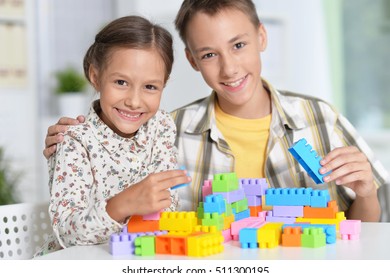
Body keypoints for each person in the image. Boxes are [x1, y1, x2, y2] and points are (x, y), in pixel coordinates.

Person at [43, 0, 388, 222]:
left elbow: (368, 230)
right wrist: (78, 134)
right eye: (209, 54)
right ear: (192, 61)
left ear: (262, 37)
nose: (229, 69)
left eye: (238, 45)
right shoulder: (165, 131)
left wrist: (367, 192)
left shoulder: (320, 118)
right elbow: (115, 177)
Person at [35, 15, 191, 256]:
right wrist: (122, 205)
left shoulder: (161, 126)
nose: (134, 101)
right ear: (96, 77)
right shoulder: (75, 142)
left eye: (150, 87)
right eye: (121, 82)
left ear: (164, 84)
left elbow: (168, 202)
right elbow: (67, 233)